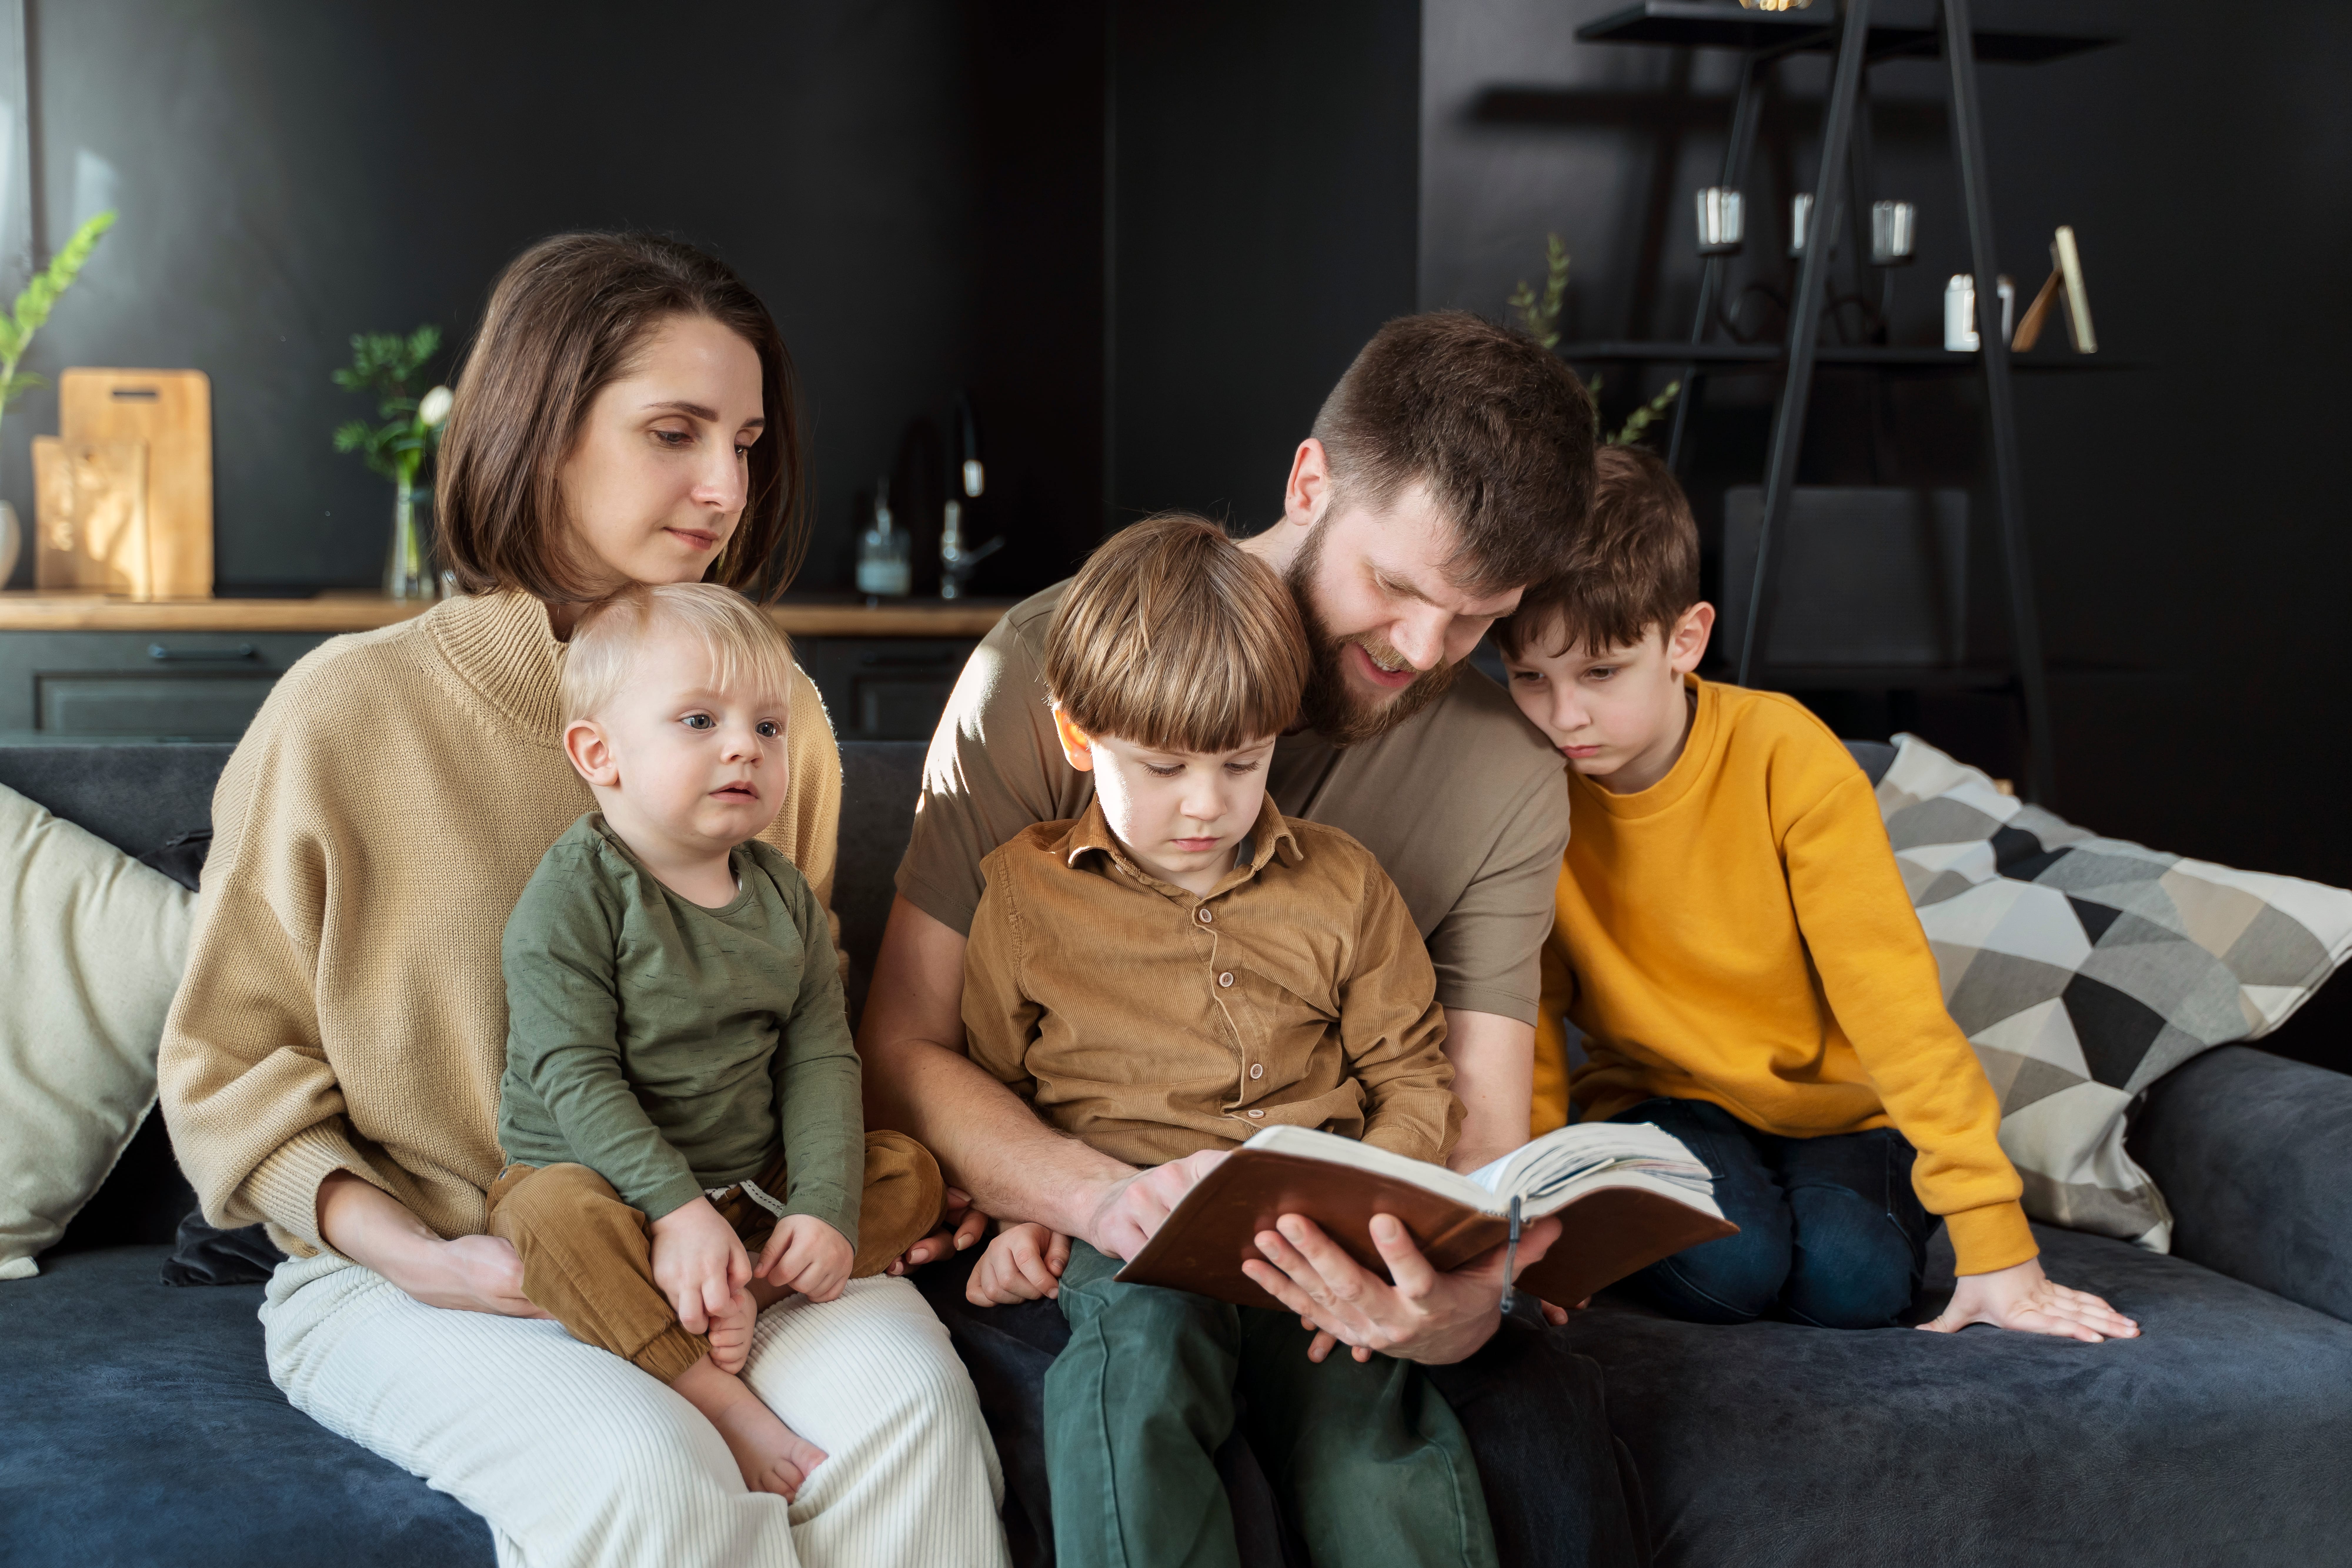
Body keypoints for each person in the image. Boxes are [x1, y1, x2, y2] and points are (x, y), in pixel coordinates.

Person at [157, 232, 1008, 1566]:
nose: (724, 484)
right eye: (673, 432)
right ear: (541, 430)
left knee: (909, 1419)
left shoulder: (776, 726)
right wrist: (426, 1259)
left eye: (745, 441)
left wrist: (822, 1208)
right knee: (647, 1477)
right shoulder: (345, 711)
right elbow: (226, 1069)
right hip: (427, 1275)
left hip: (732, 1246)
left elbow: (807, 1024)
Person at [866, 312, 1646, 1567]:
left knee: (1540, 1425)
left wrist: (1449, 1305)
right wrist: (1095, 1198)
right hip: (1088, 1223)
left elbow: (1476, 1119)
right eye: (1394, 586)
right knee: (1135, 1385)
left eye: (1473, 618)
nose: (1419, 651)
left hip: (1351, 1248)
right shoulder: (1057, 664)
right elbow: (902, 1042)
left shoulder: (1504, 774)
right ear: (1309, 483)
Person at [1494, 443, 2141, 1342]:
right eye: (1531, 678)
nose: (1564, 715)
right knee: (1731, 1273)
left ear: (1685, 640)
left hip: (1840, 1109)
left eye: (1600, 674)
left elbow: (1894, 1004)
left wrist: (1998, 1244)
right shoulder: (1525, 788)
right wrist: (1535, 1224)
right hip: (1660, 1103)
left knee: (1854, 1286)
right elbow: (1524, 1014)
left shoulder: (1788, 758)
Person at [957, 515, 1493, 1567]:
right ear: (1079, 738)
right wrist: (1009, 1211)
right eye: (1162, 768)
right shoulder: (1023, 898)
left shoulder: (1343, 884)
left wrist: (1374, 1204)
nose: (1207, 807)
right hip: (1133, 1239)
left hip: (1319, 1240)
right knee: (1135, 1376)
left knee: (1371, 1440)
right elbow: (990, 1081)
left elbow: (1410, 1073)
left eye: (1242, 764)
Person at [489, 582, 949, 1500]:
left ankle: (749, 1291)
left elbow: (820, 1059)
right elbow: (570, 1073)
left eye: (768, 728)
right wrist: (673, 1210)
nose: (744, 745)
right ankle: (707, 1387)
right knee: (545, 1225)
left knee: (908, 1174)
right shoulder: (577, 894)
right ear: (599, 753)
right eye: (699, 720)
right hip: (611, 1190)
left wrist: (819, 1206)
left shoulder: (783, 899)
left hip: (746, 1191)